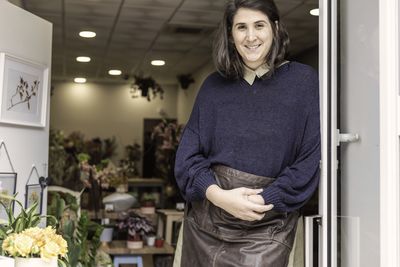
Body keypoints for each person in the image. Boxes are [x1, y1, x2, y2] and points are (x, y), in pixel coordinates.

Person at [174, 0, 320, 266]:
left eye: (259, 25)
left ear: (275, 28)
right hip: (206, 222)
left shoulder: (304, 82)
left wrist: (262, 200)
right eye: (241, 27)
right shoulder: (213, 87)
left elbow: (309, 162)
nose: (250, 36)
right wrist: (219, 196)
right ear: (231, 34)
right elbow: (186, 159)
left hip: (268, 225)